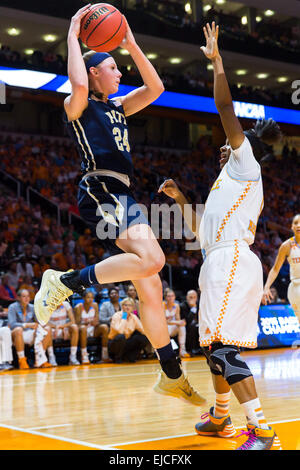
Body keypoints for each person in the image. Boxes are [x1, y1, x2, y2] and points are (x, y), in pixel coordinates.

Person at [34, 3, 204, 405]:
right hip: (101, 190)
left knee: (152, 285)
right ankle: (66, 281)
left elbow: (156, 87)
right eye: (112, 67)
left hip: (123, 195)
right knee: (155, 260)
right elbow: (76, 85)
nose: (120, 72)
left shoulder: (118, 107)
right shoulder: (79, 105)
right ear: (94, 72)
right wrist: (74, 30)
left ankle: (171, 373)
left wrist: (128, 42)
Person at [159, 22, 283, 449]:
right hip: (218, 256)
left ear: (241, 145)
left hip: (232, 260)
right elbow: (202, 232)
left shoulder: (247, 164)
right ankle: (220, 417)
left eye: (228, 142)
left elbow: (226, 109)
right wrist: (177, 197)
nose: (221, 145)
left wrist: (217, 63)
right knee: (213, 345)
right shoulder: (224, 183)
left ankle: (263, 431)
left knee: (224, 351)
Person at [263, 214, 300, 321]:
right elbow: (275, 269)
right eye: (295, 223)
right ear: (292, 227)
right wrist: (267, 287)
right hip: (296, 289)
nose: (298, 225)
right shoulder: (286, 245)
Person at [8, 289, 53, 369]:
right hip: (17, 334)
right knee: (19, 330)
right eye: (24, 296)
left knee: (47, 329)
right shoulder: (12, 307)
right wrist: (26, 325)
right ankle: (22, 360)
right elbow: (12, 324)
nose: (26, 298)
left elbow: (39, 322)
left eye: (28, 296)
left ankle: (40, 360)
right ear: (18, 298)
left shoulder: (32, 307)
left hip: (30, 333)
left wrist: (40, 325)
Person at [108, 297, 148, 363]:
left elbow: (143, 330)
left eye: (130, 305)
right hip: (114, 344)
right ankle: (117, 358)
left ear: (132, 308)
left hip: (126, 342)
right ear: (122, 306)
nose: (127, 307)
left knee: (143, 338)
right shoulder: (116, 316)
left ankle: (131, 356)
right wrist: (124, 316)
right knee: (121, 337)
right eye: (125, 305)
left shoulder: (134, 317)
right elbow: (120, 331)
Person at [74, 290, 110, 364]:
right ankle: (84, 356)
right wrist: (86, 322)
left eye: (92, 297)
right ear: (83, 298)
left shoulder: (95, 305)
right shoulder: (78, 307)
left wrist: (96, 322)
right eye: (88, 297)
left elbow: (97, 319)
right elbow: (77, 324)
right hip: (82, 331)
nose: (90, 299)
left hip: (93, 329)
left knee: (104, 327)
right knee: (83, 328)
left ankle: (105, 355)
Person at [48, 301, 80, 365]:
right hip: (52, 330)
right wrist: (56, 327)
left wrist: (62, 327)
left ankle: (73, 357)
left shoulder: (66, 304)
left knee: (75, 327)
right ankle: (51, 357)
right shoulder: (46, 305)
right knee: (47, 330)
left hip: (63, 329)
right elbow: (44, 323)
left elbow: (72, 321)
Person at [163, 288, 190, 358]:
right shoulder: (162, 305)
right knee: (179, 324)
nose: (170, 298)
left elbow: (178, 319)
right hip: (164, 328)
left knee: (182, 327)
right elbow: (164, 321)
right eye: (169, 296)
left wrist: (181, 322)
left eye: (172, 296)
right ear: (165, 297)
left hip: (171, 327)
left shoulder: (176, 306)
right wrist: (178, 322)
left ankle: (182, 350)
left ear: (174, 297)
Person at [180, 290, 201, 355]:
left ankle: (203, 348)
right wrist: (193, 308)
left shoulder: (200, 304)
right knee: (192, 326)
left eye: (194, 297)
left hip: (198, 324)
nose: (192, 299)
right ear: (187, 297)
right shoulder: (183, 306)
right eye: (190, 297)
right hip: (187, 326)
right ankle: (192, 349)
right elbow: (187, 320)